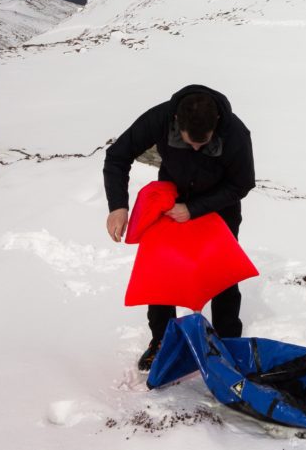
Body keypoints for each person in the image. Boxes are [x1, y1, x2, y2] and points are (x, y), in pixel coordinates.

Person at [103, 84, 255, 370]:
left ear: (217, 125)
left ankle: (228, 340)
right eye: (189, 142)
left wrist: (195, 209)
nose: (196, 148)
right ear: (176, 123)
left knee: (221, 269)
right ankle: (162, 339)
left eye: (204, 143)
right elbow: (117, 157)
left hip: (218, 204)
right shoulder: (159, 118)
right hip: (170, 201)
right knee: (162, 269)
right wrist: (118, 206)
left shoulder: (235, 132)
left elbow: (242, 183)